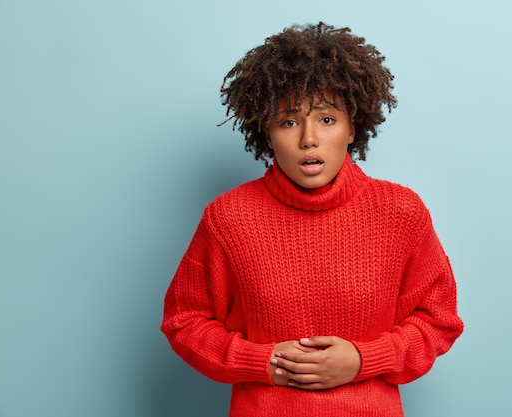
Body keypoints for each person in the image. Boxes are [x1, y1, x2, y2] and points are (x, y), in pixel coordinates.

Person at [161, 22, 463, 417]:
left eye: (326, 119)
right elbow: (184, 321)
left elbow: (438, 319)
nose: (308, 138)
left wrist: (363, 359)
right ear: (266, 134)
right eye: (288, 121)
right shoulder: (229, 218)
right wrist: (263, 363)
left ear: (352, 127)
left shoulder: (400, 213)